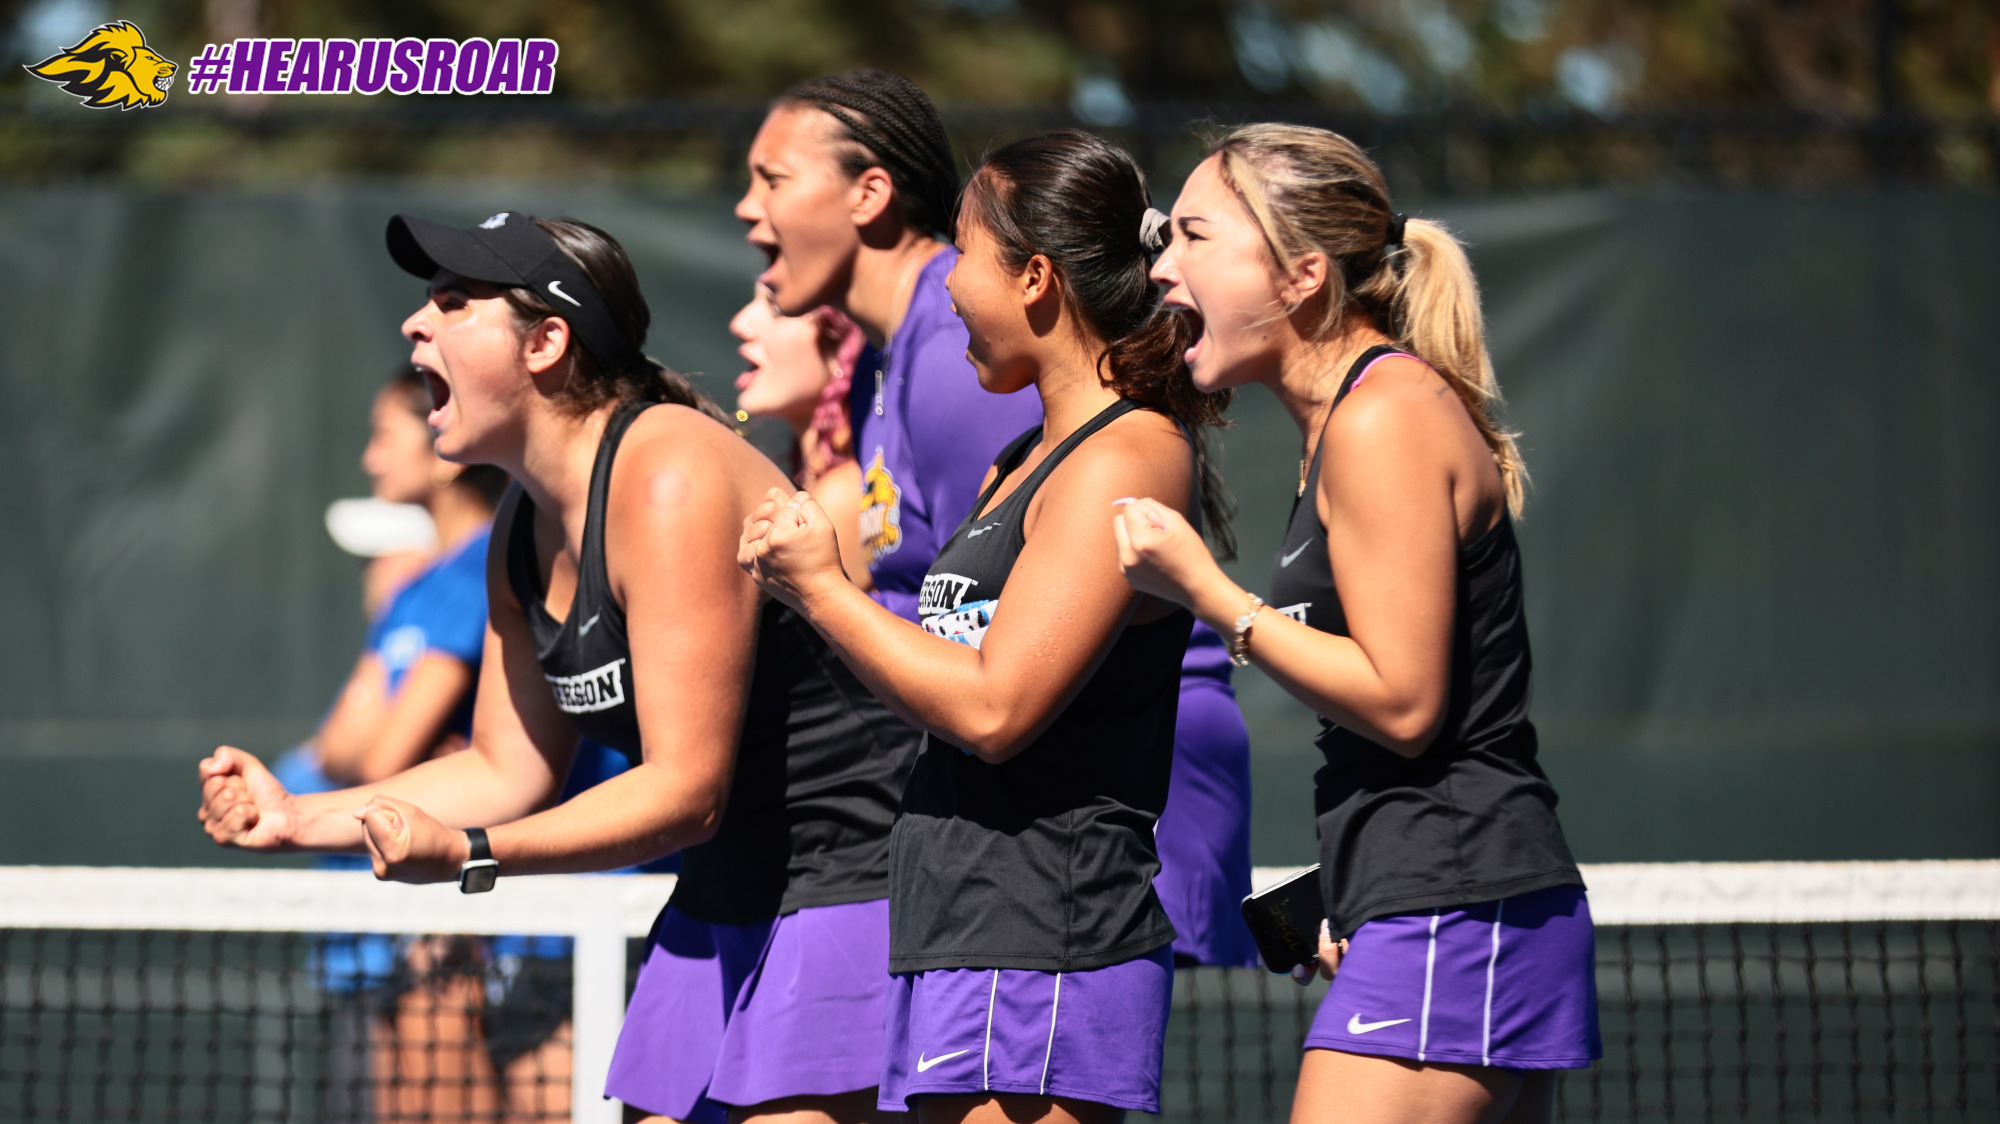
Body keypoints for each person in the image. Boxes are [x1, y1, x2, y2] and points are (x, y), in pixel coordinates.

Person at [196, 211, 921, 1124]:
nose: (418, 324)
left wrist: (468, 858)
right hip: (724, 901)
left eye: (455, 302)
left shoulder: (668, 473)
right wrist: (297, 817)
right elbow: (506, 768)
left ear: (545, 343)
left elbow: (683, 792)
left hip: (854, 892)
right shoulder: (521, 532)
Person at [741, 130, 1230, 1124]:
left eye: (961, 255)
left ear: (1036, 277)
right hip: (959, 921)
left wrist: (822, 589)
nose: (949, 286)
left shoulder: (1125, 450)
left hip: (1045, 925)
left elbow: (998, 706)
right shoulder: (1019, 455)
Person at [1114, 124, 1599, 1124]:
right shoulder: (1344, 424)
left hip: (1455, 901)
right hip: (1427, 900)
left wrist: (1211, 594)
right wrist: (1348, 882)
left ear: (1297, 274)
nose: (1162, 263)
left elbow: (1405, 700)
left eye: (1195, 235)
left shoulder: (1381, 417)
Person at [264, 364, 509, 1124]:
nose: (371, 459)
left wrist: (381, 740)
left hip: (475, 924)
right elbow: (342, 745)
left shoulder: (489, 569)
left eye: (383, 436)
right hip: (401, 929)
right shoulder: (411, 588)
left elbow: (377, 757)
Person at [728, 283, 873, 587]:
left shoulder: (841, 496)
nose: (740, 324)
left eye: (776, 307)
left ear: (839, 344)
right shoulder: (817, 482)